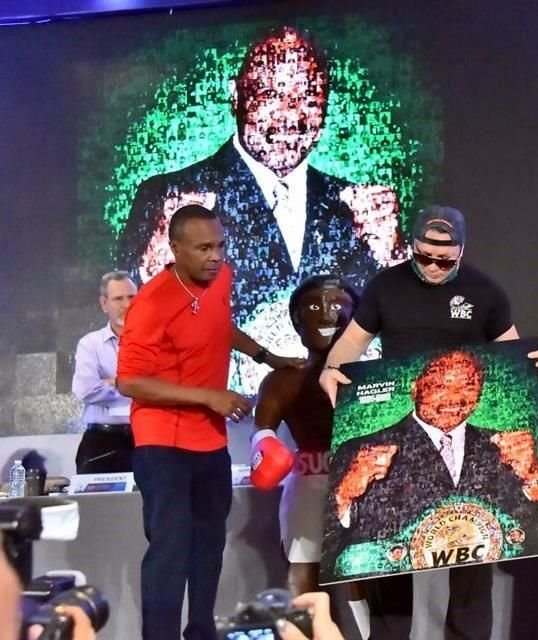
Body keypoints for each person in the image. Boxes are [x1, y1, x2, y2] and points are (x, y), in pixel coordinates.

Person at [117, 25, 403, 394]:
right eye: (272, 94)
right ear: (236, 97)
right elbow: (131, 320)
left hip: (337, 413)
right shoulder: (169, 197)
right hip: (218, 414)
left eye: (309, 96)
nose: (291, 116)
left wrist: (394, 259)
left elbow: (393, 324)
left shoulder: (364, 211)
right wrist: (151, 277)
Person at [319, 205, 538, 640]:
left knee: (472, 579)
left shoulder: (486, 292)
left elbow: (514, 355)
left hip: (471, 466)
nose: (433, 267)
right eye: (423, 257)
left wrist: (535, 364)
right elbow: (349, 345)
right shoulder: (386, 286)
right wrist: (331, 371)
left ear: (462, 252)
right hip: (400, 452)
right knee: (389, 577)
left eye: (445, 260)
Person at [116, 204, 304, 640]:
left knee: (207, 548)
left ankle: (200, 632)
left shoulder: (221, 277)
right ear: (175, 248)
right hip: (162, 444)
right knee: (170, 551)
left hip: (209, 444)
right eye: (204, 248)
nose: (216, 256)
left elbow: (221, 325)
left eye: (220, 245)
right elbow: (129, 382)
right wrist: (209, 397)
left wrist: (267, 356)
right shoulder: (151, 304)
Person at [323, 349, 538, 577]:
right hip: (403, 594)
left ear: (480, 395)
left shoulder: (509, 449)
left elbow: (533, 539)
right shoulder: (360, 451)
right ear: (415, 389)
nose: (455, 398)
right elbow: (330, 552)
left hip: (478, 585)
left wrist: (533, 481)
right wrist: (343, 497)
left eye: (468, 386)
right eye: (441, 386)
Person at [251, 274, 369, 636]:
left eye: (336, 305)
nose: (326, 314)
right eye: (315, 306)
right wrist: (266, 449)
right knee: (302, 568)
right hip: (307, 482)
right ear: (297, 318)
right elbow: (263, 429)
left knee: (356, 571)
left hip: (359, 485)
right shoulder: (282, 381)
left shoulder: (370, 377)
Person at [71, 271, 138, 474]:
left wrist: (109, 382)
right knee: (98, 505)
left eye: (132, 297)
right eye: (118, 299)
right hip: (102, 441)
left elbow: (161, 387)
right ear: (104, 304)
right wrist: (131, 384)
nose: (126, 305)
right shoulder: (90, 344)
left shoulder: (156, 342)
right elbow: (86, 390)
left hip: (147, 439)